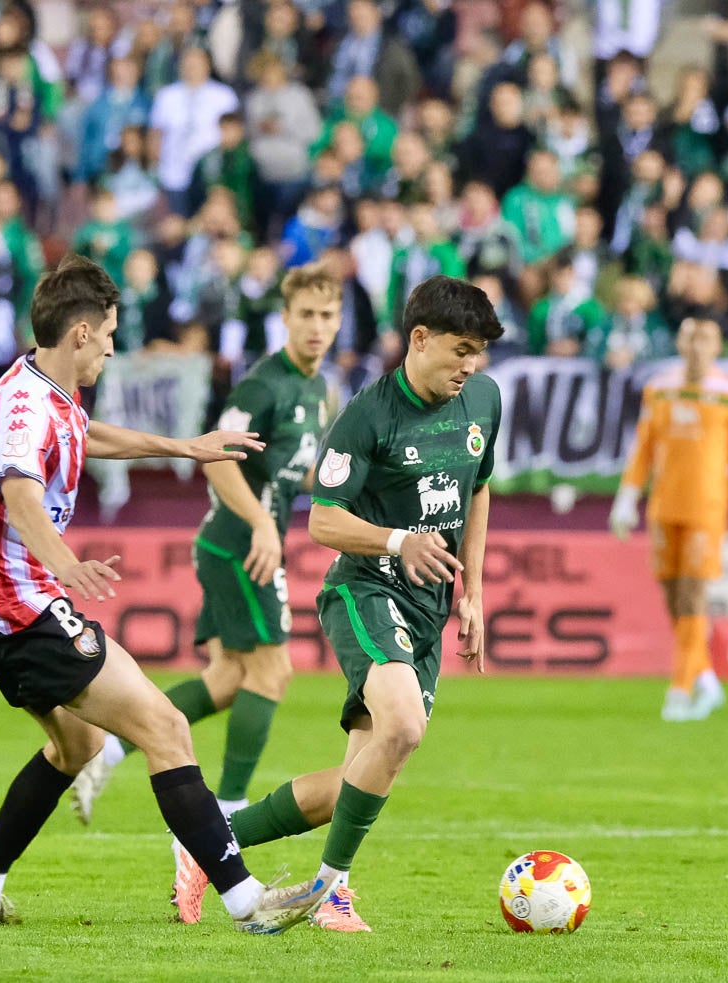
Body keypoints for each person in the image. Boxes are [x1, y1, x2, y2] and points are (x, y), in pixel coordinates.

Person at [0, 255, 321, 935]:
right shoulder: (21, 409)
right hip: (18, 606)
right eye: (111, 333)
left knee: (76, 745)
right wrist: (67, 564)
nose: (114, 347)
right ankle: (246, 901)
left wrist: (186, 446)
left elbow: (92, 437)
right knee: (165, 728)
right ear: (81, 332)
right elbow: (21, 495)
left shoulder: (46, 389)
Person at [159, 275, 505, 933]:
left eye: (478, 352)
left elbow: (479, 487)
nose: (471, 365)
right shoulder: (368, 413)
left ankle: (213, 841)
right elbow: (321, 520)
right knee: (402, 726)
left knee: (367, 768)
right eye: (461, 349)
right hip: (366, 589)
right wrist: (399, 539)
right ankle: (327, 886)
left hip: (432, 603)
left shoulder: (483, 400)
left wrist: (474, 593)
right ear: (420, 338)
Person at [68, 266, 342, 864]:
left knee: (227, 682)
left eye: (326, 316)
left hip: (243, 543)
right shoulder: (264, 385)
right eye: (305, 315)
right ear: (286, 318)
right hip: (239, 544)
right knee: (272, 675)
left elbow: (301, 471)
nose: (316, 327)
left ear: (339, 319)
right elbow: (217, 459)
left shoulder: (320, 392)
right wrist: (267, 523)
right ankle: (223, 822)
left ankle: (107, 753)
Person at [609, 318, 728, 722]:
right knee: (674, 598)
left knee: (694, 595)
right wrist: (627, 498)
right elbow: (644, 446)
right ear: (681, 342)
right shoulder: (660, 388)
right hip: (664, 507)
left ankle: (678, 690)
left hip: (707, 510)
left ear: (717, 346)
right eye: (691, 339)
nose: (697, 347)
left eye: (706, 340)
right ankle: (706, 678)